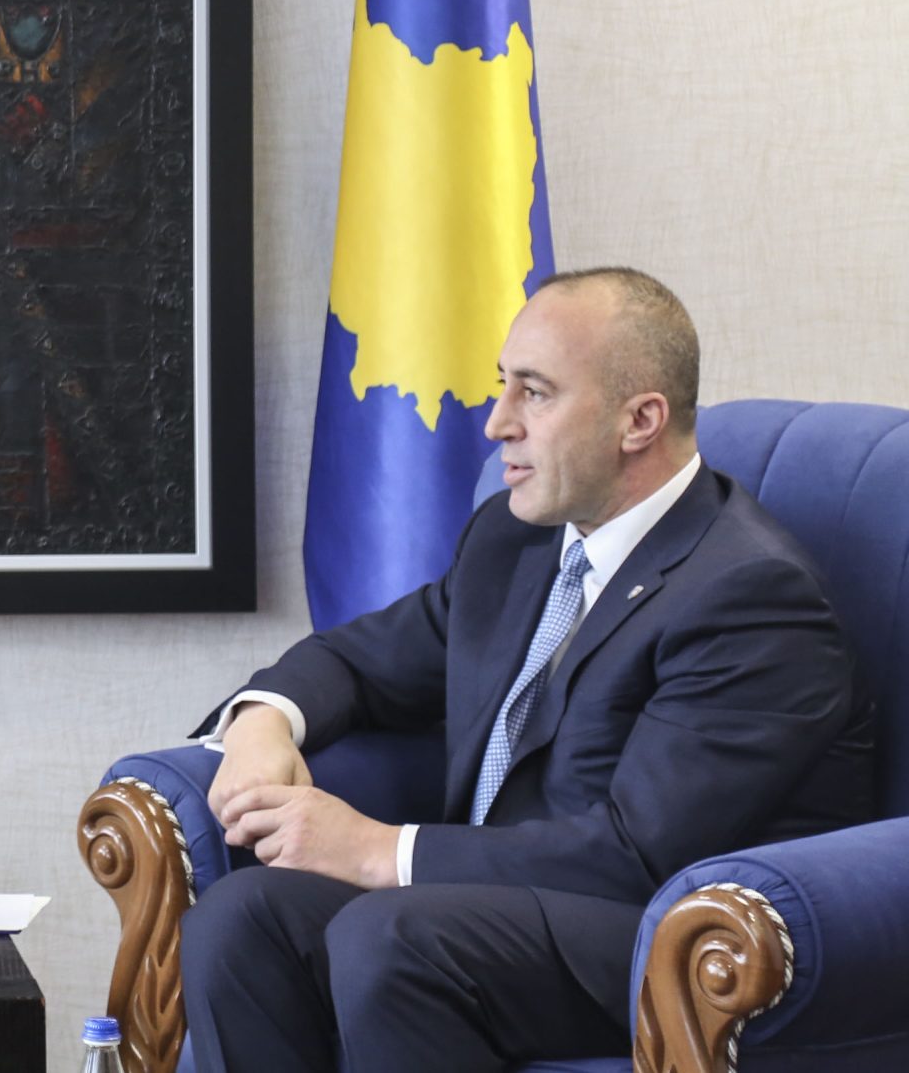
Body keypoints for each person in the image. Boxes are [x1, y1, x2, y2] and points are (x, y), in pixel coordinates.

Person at [182, 267, 873, 1073]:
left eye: (534, 393)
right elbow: (361, 658)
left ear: (640, 419)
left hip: (679, 941)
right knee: (239, 919)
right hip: (491, 913)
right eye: (501, 383)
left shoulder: (752, 595)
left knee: (390, 936)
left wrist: (376, 848)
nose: (496, 423)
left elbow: (637, 855)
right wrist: (264, 722)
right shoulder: (516, 541)